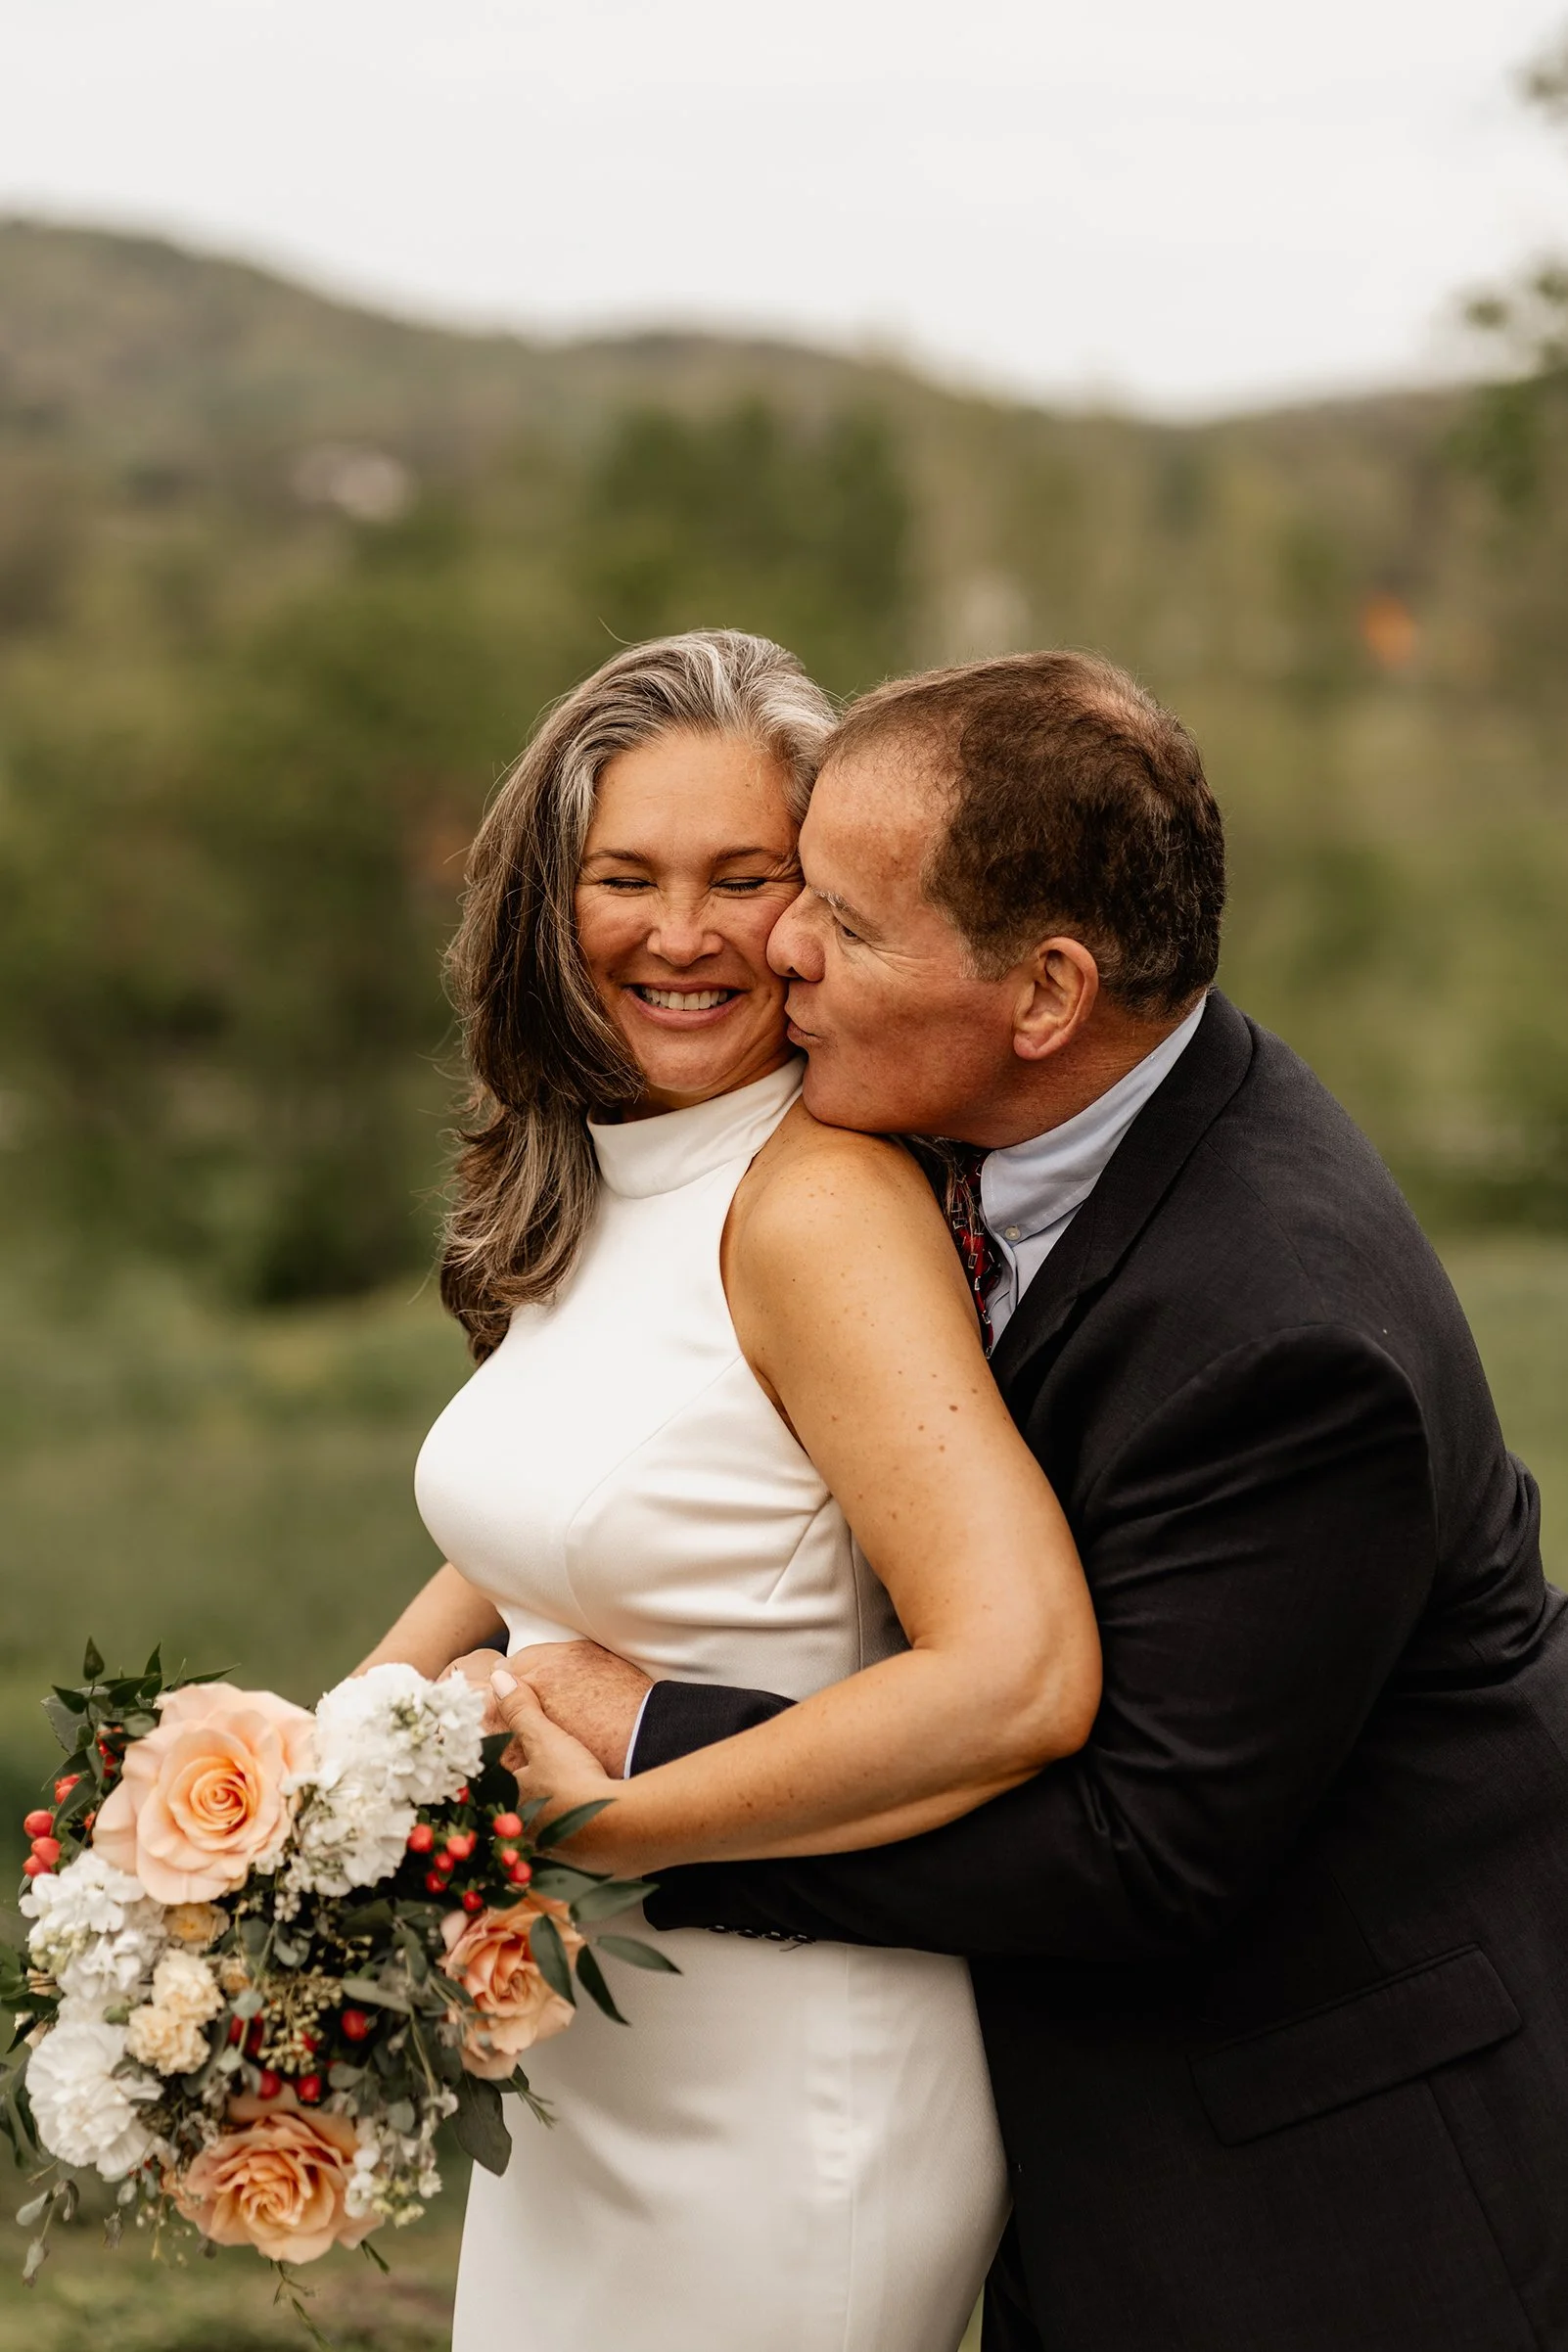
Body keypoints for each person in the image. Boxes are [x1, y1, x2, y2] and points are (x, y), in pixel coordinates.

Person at [486, 650, 1568, 2352]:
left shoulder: (1283, 1334)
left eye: (840, 920)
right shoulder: (987, 1130)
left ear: (1046, 993)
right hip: (1059, 2140)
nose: (777, 949)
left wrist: (648, 1777)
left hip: (1326, 2191)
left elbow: (1137, 1853)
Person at [362, 630, 1101, 2352]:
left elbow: (1018, 1673)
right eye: (625, 876)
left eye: (744, 878)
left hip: (783, 2087)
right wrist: (305, 1778)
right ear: (547, 901)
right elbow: (543, 1532)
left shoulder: (817, 1208)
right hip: (584, 2052)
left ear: (820, 906)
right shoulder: (600, 1166)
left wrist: (601, 1827)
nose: (681, 934)